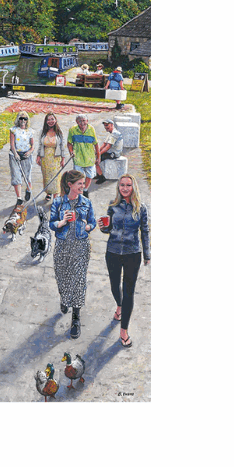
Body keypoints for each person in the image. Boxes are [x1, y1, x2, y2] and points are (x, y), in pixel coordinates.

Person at [99, 173, 151, 348]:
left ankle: (124, 330)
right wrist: (103, 227)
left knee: (129, 292)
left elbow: (145, 232)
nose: (125, 188)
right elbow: (108, 229)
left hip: (132, 254)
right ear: (118, 187)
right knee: (115, 286)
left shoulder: (141, 208)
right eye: (122, 185)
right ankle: (119, 306)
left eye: (128, 185)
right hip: (113, 252)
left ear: (133, 187)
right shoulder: (112, 206)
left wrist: (147, 254)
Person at [49, 170, 97, 339]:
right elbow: (51, 223)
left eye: (83, 183)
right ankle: (64, 298)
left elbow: (92, 222)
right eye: (80, 184)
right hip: (62, 245)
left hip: (81, 246)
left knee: (79, 279)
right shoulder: (58, 202)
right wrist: (61, 222)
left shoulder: (86, 202)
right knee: (62, 277)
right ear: (70, 185)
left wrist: (87, 227)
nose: (83, 186)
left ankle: (76, 317)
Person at [36, 112, 66, 203]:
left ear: (55, 120)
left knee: (56, 178)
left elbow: (62, 147)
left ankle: (56, 197)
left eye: (52, 119)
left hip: (55, 158)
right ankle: (49, 193)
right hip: (45, 158)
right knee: (47, 177)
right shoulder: (43, 132)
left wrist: (63, 159)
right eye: (48, 120)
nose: (50, 121)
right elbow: (40, 145)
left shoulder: (59, 133)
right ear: (46, 121)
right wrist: (38, 156)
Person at [67, 114, 99, 197]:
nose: (82, 123)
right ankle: (79, 191)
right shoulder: (72, 130)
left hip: (90, 158)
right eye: (80, 121)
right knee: (78, 177)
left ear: (87, 121)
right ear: (76, 122)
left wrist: (98, 157)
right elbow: (69, 143)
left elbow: (96, 144)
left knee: (89, 176)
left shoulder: (91, 129)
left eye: (84, 120)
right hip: (78, 158)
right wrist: (71, 152)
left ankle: (85, 190)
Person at [8, 111, 35, 204]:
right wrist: (15, 154)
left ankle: (28, 190)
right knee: (16, 176)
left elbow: (32, 145)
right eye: (21, 118)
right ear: (18, 119)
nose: (23, 120)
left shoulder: (30, 131)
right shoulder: (13, 130)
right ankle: (19, 198)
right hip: (15, 155)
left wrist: (30, 152)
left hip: (26, 155)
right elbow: (12, 144)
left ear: (27, 120)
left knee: (27, 177)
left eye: (25, 119)